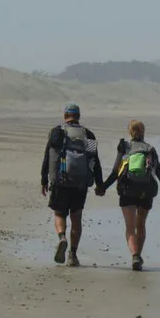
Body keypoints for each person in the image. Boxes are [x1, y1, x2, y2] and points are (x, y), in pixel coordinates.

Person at [97, 119, 160, 271]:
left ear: (130, 132)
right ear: (143, 132)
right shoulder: (150, 149)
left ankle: (135, 256)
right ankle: (138, 253)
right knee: (141, 225)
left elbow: (115, 172)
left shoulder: (125, 147)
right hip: (147, 190)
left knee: (130, 227)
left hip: (128, 189)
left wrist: (102, 187)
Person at [40, 103, 104, 267]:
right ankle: (72, 255)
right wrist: (99, 184)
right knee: (76, 218)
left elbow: (48, 157)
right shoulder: (88, 135)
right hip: (80, 183)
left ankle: (61, 236)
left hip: (60, 181)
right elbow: (94, 161)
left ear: (65, 115)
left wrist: (44, 180)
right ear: (78, 116)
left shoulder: (57, 132)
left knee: (60, 213)